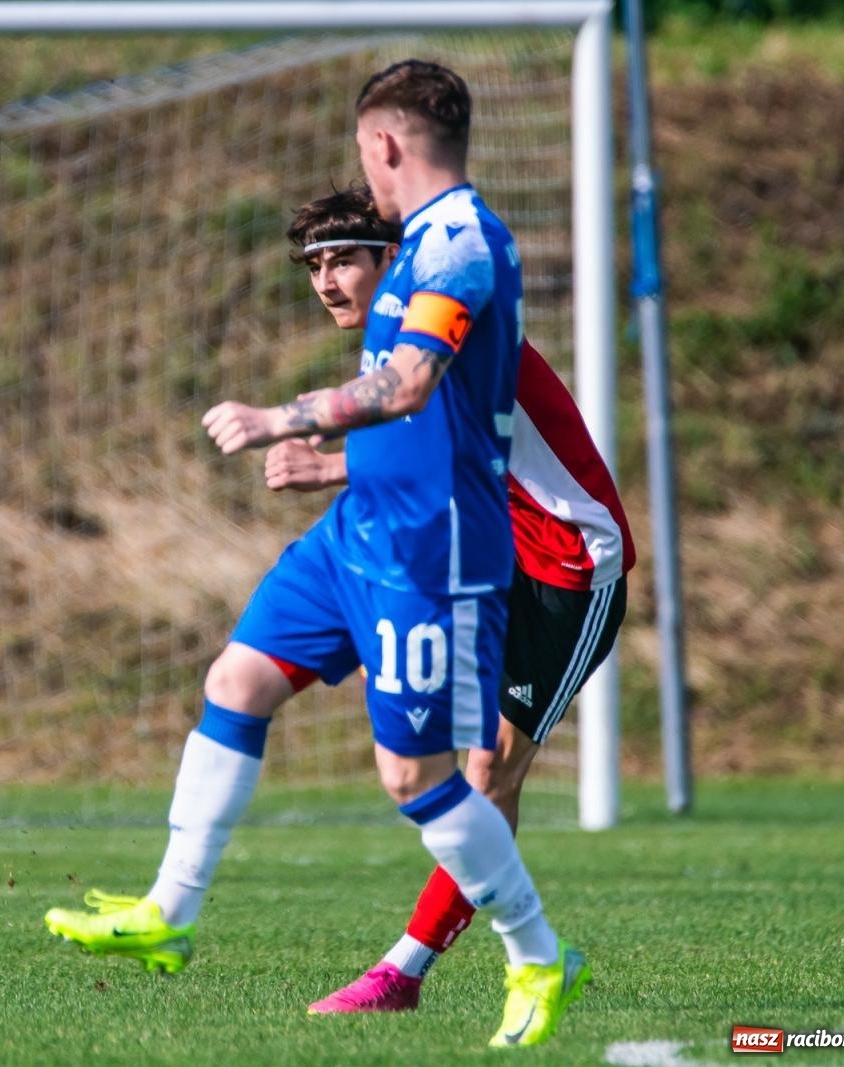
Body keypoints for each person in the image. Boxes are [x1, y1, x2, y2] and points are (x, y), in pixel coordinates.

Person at [45, 60, 590, 1048]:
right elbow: (416, 411)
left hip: (433, 557)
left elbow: (410, 387)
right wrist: (337, 465)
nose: (330, 274)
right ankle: (168, 911)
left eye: (362, 157)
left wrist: (274, 416)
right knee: (236, 677)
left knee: (417, 780)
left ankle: (537, 951)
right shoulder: (420, 242)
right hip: (357, 534)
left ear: (383, 145)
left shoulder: (459, 246)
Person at [267, 185, 635, 1015]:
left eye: (343, 261)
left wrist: (323, 460)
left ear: (389, 259)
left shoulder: (446, 325)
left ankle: (405, 972)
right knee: (425, 759)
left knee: (489, 770)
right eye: (313, 266)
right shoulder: (402, 336)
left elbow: (445, 455)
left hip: (568, 567)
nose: (326, 281)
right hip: (495, 553)